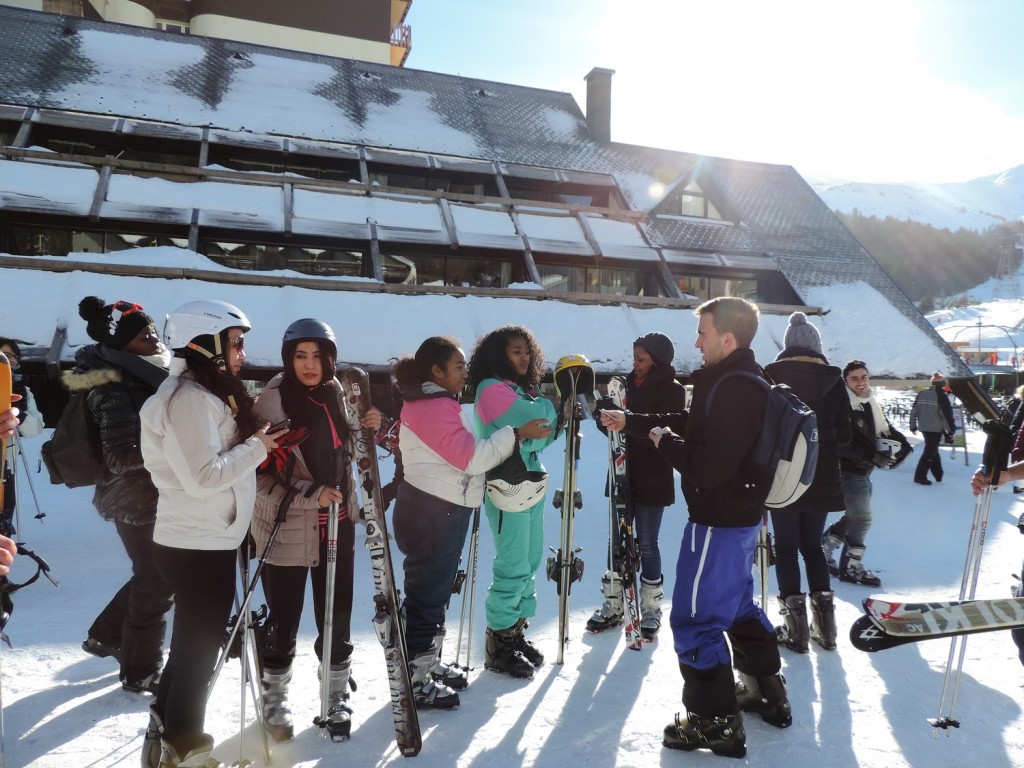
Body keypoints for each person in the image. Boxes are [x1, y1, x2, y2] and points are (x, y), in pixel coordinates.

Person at [602, 296, 791, 758]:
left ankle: (713, 721)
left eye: (703, 334)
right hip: (737, 520)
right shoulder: (740, 379)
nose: (697, 343)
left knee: (694, 618)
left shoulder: (735, 388)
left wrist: (666, 446)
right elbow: (692, 423)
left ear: (727, 338)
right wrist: (636, 422)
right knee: (737, 605)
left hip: (717, 522)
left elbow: (709, 467)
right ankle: (765, 690)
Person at [139, 300, 285, 768]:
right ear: (205, 343)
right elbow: (202, 477)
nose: (242, 352)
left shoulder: (202, 392)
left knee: (191, 649)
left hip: (204, 539)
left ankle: (167, 733)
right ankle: (187, 749)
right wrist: (257, 448)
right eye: (235, 342)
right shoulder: (189, 399)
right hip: (196, 544)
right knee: (198, 655)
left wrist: (257, 443)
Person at [391, 335, 551, 706]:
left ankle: (426, 662)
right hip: (433, 510)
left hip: (439, 506)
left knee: (434, 591)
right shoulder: (431, 407)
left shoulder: (434, 402)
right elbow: (472, 459)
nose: (465, 373)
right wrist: (516, 433)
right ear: (437, 371)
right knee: (428, 593)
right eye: (459, 366)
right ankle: (416, 677)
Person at [250, 318, 377, 742]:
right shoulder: (271, 405)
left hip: (337, 525)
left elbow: (350, 452)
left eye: (318, 356)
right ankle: (275, 696)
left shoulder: (337, 393)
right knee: (284, 616)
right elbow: (258, 477)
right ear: (288, 359)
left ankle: (334, 692)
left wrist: (368, 425)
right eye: (300, 355)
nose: (309, 364)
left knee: (336, 613)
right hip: (286, 526)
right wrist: (311, 494)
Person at [70, 297, 172, 696]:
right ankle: (140, 670)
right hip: (132, 498)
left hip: (148, 493)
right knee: (157, 579)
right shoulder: (113, 387)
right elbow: (121, 455)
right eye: (144, 335)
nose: (154, 339)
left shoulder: (143, 375)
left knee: (153, 575)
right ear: (122, 344)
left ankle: (105, 635)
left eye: (153, 331)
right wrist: (177, 451)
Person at [468, 325, 559, 679]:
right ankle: (499, 643)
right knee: (513, 563)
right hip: (507, 485)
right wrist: (542, 417)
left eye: (527, 351)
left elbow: (543, 434)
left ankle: (515, 630)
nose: (524, 357)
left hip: (529, 482)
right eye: (515, 351)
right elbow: (542, 421)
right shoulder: (491, 389)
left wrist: (534, 431)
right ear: (498, 355)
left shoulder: (519, 390)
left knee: (530, 559)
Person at [763, 312, 851, 653]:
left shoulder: (771, 376)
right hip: (822, 474)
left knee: (785, 548)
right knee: (812, 547)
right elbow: (845, 435)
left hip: (784, 475)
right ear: (817, 346)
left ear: (788, 345)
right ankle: (826, 631)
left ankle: (796, 632)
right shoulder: (834, 380)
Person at [590, 332, 686, 640]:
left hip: (653, 477)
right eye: (634, 358)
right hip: (622, 473)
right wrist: (604, 416)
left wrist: (627, 422)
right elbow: (616, 432)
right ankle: (614, 601)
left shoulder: (673, 390)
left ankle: (651, 607)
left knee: (646, 543)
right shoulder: (625, 386)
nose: (635, 363)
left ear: (657, 360)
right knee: (616, 542)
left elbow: (664, 430)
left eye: (641, 359)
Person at [822, 360, 912, 588]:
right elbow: (842, 443)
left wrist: (903, 446)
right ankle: (851, 567)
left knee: (854, 515)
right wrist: (873, 456)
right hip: (848, 469)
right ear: (846, 381)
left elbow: (885, 428)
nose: (860, 382)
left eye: (864, 377)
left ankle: (825, 546)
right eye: (854, 378)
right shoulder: (842, 404)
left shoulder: (869, 400)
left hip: (863, 469)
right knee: (862, 519)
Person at [0, 338, 44, 537]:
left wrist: (21, 415)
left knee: (4, 516)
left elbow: (36, 427)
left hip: (6, 463)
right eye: (5, 355)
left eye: (13, 356)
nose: (9, 360)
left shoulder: (23, 391)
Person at [909, 372, 955, 485]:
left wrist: (913, 426)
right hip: (936, 428)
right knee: (929, 452)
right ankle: (920, 476)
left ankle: (938, 475)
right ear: (942, 384)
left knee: (933, 450)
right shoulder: (942, 396)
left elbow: (913, 412)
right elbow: (946, 415)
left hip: (924, 427)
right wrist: (951, 431)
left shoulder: (922, 394)